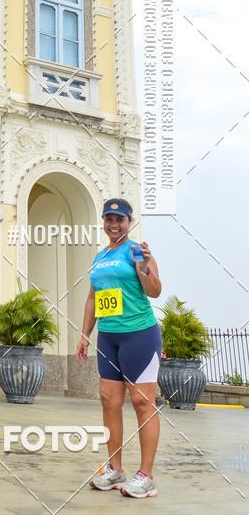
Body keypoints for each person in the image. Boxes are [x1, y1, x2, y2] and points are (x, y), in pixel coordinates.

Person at [75, 198, 162, 498]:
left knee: (142, 403)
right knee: (109, 400)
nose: (114, 225)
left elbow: (154, 291)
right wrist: (85, 334)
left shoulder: (137, 251)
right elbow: (92, 298)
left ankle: (146, 476)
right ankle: (115, 470)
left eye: (120, 219)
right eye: (109, 219)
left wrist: (144, 267)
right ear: (104, 221)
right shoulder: (99, 257)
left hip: (139, 335)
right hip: (108, 338)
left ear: (129, 222)